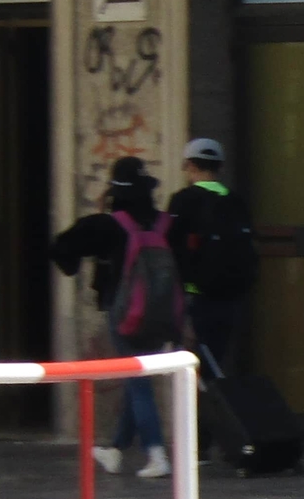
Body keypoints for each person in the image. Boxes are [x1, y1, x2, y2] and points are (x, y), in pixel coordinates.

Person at [48, 157, 179, 480]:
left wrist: (78, 267)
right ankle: (116, 449)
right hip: (163, 316)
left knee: (138, 381)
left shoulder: (107, 225)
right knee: (139, 378)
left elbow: (61, 248)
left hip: (126, 315)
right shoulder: (167, 224)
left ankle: (155, 452)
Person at [164, 136, 257, 378]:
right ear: (221, 167)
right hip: (230, 296)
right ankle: (212, 410)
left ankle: (196, 414)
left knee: (187, 368)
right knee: (215, 361)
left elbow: (169, 245)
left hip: (194, 297)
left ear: (190, 166)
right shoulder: (236, 202)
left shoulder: (183, 200)